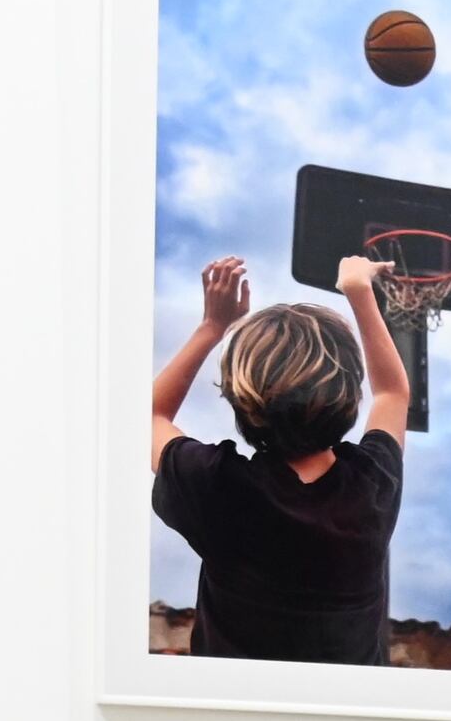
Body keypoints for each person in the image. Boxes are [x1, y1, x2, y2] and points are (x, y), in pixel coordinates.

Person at [144, 253, 412, 664]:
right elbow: (393, 392)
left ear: (240, 399)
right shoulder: (372, 490)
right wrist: (360, 292)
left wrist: (212, 326)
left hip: (234, 719)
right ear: (350, 395)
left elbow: (147, 417)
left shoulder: (217, 487)